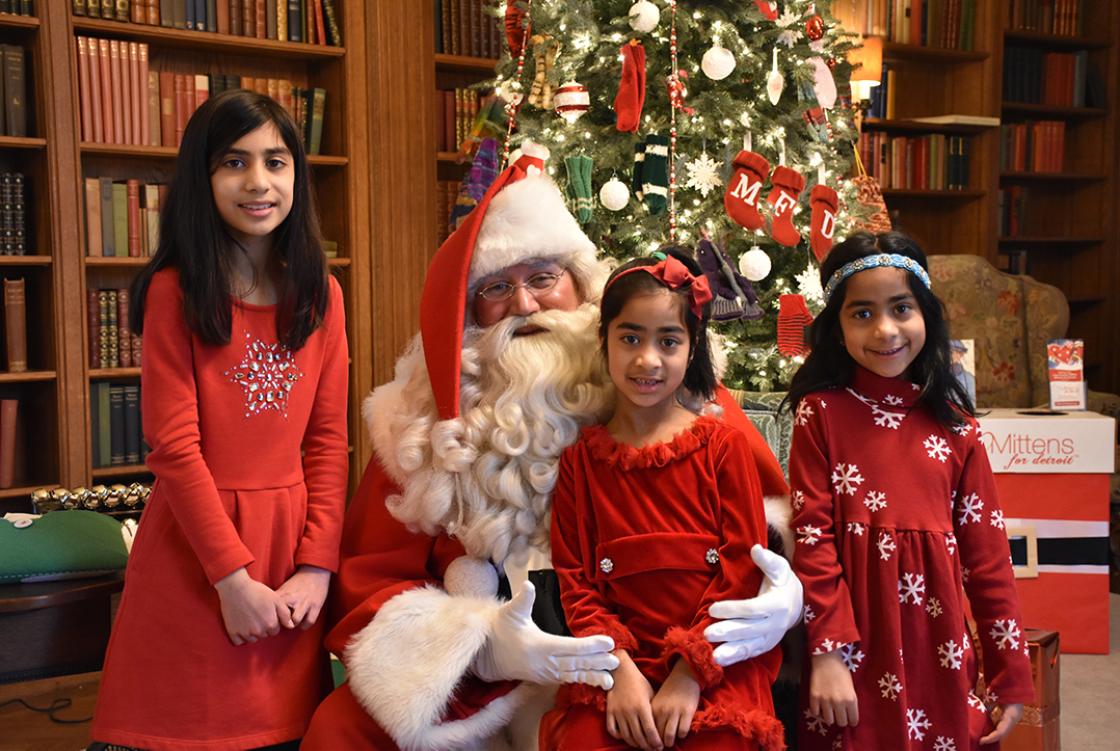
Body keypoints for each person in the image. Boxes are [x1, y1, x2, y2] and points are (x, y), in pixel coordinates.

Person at [302, 144, 802, 750]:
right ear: (468, 309)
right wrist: (482, 648)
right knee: (340, 732)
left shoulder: (658, 380)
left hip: (657, 643)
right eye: (496, 288)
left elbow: (767, 519)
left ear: (581, 286)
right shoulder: (419, 417)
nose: (525, 305)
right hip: (493, 679)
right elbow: (372, 579)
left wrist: (781, 595)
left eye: (543, 278)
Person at [90, 90, 349, 750]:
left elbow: (326, 440)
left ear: (297, 173)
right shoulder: (175, 291)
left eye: (276, 161)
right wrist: (232, 580)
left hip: (289, 549)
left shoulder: (321, 292)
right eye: (235, 162)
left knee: (286, 735)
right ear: (203, 178)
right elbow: (173, 446)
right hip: (200, 555)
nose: (259, 182)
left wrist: (316, 565)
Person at [784, 231, 1033, 750]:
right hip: (851, 651)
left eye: (901, 308)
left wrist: (1010, 672)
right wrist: (827, 654)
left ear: (927, 315)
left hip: (936, 647)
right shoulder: (822, 414)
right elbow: (813, 538)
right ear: (837, 328)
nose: (886, 330)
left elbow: (988, 561)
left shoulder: (959, 430)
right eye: (862, 313)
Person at [542, 249, 785, 751]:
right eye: (630, 338)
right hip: (619, 663)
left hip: (713, 663)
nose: (647, 360)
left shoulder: (724, 447)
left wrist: (690, 674)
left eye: (668, 341)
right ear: (604, 340)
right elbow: (577, 584)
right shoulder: (581, 463)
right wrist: (621, 671)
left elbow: (742, 569)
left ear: (692, 348)